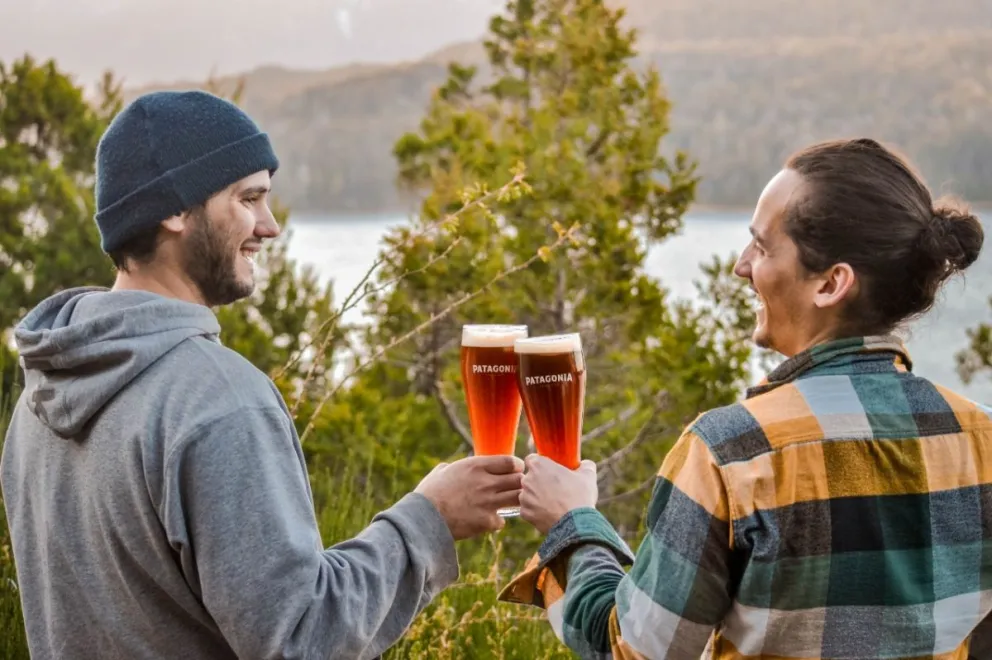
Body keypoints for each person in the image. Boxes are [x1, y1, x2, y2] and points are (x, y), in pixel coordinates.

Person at [0, 90, 524, 660]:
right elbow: (300, 639)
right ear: (174, 210)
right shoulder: (218, 402)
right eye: (249, 199)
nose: (269, 226)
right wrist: (429, 521)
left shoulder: (39, 395)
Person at [499, 137, 991, 659]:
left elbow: (634, 651)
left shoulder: (729, 453)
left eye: (761, 246)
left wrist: (571, 523)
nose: (740, 265)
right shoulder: (983, 443)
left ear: (831, 284)